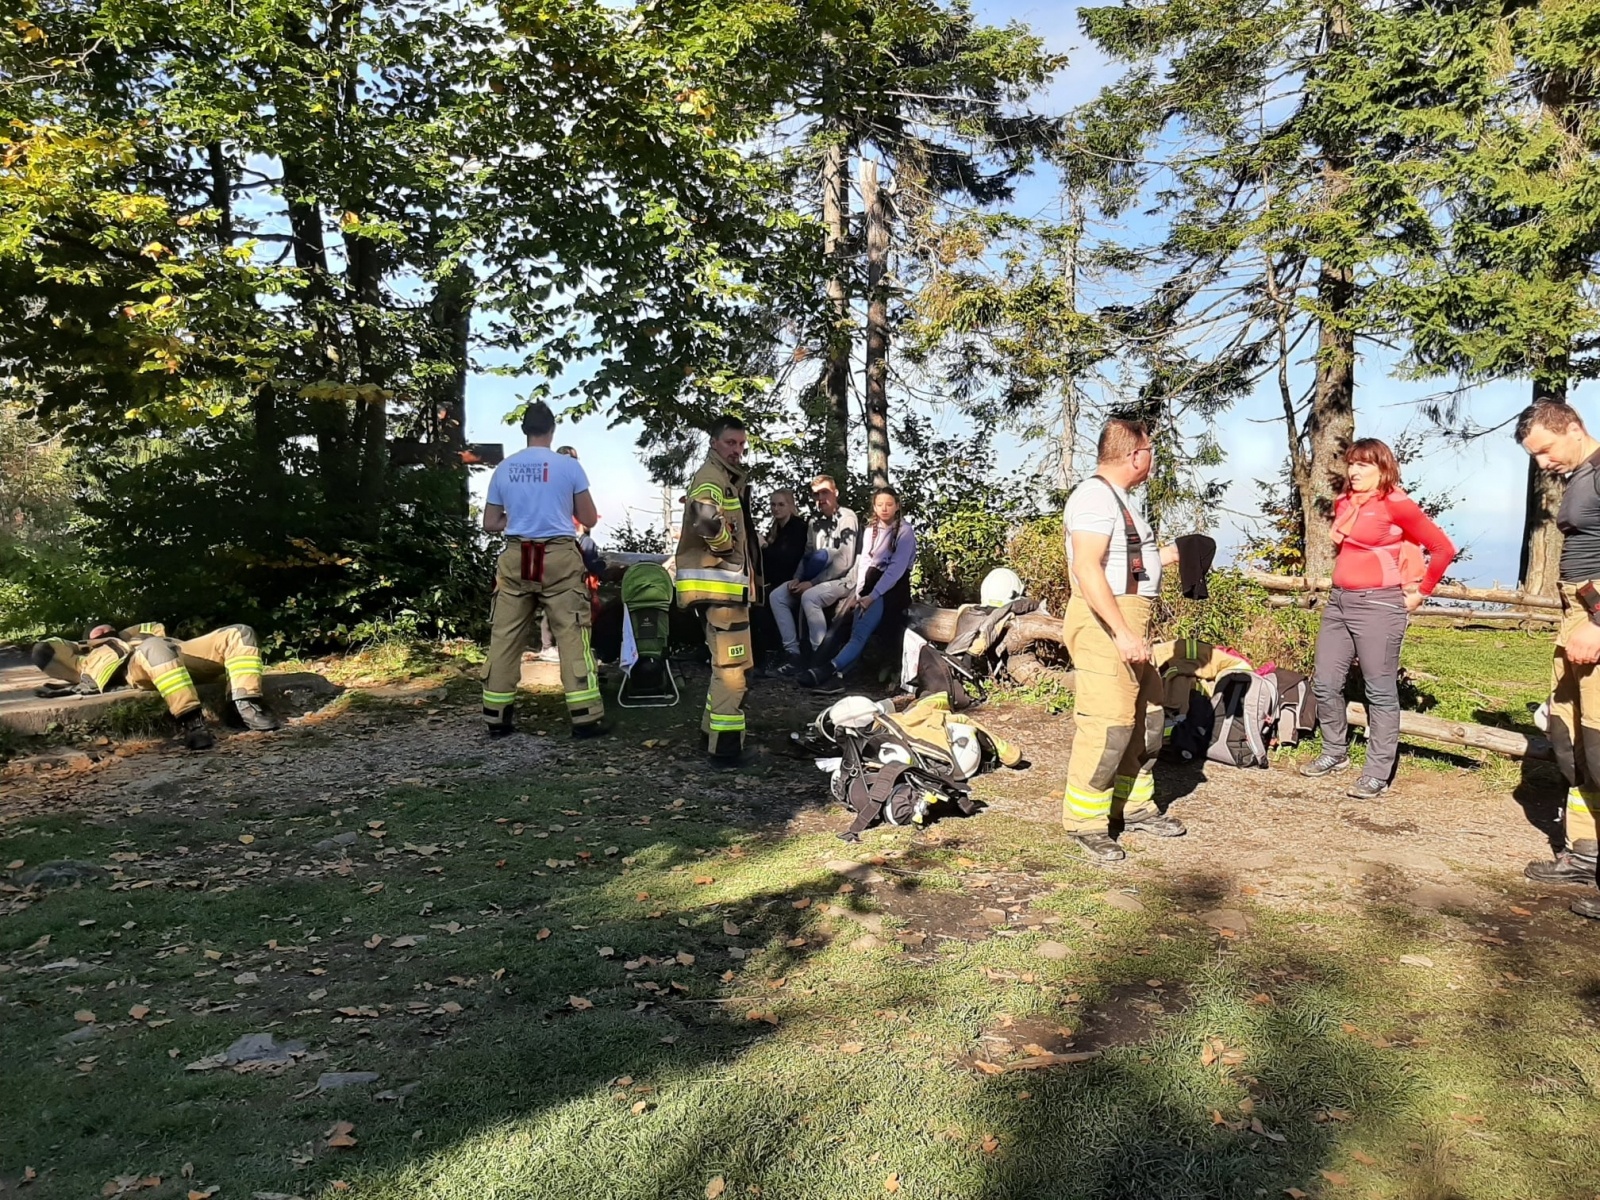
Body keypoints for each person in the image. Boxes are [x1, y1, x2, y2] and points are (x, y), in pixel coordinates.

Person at [1299, 438, 1456, 799]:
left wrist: (1423, 591)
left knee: (1379, 690)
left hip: (1379, 605)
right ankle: (1334, 752)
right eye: (1351, 464)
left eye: (1363, 465)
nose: (1353, 471)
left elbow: (1443, 548)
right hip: (1338, 602)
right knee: (1324, 682)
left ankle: (1376, 772)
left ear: (1383, 468)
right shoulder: (1345, 503)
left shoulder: (1397, 504)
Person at [1059, 419, 1185, 862]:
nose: (1152, 458)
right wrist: (1123, 632)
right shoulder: (1094, 496)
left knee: (1147, 717)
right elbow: (1088, 568)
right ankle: (1086, 821)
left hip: (1130, 619)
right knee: (1109, 723)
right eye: (1150, 450)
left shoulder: (1118, 501)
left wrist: (1171, 555)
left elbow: (1124, 561)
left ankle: (1132, 806)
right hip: (1106, 621)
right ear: (1135, 455)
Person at [1516, 400, 1600, 920]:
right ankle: (1587, 855)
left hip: (1594, 613)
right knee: (1571, 740)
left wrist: (1598, 623)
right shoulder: (1582, 474)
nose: (1544, 464)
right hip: (1577, 610)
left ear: (1572, 427)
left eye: (1546, 450)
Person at [480, 401, 606, 738]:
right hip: (559, 556)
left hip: (517, 556)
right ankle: (585, 715)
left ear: (524, 430)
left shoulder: (504, 468)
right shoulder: (568, 467)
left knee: (506, 636)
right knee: (572, 633)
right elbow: (590, 518)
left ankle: (496, 716)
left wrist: (515, 518)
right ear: (552, 430)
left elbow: (491, 523)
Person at [31, 621, 279, 750]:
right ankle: (191, 722)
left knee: (239, 631)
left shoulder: (141, 633)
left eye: (107, 627)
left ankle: (244, 705)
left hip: (179, 650)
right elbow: (46, 649)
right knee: (155, 647)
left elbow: (156, 632)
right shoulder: (86, 657)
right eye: (97, 630)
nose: (103, 628)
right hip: (141, 664)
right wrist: (82, 644)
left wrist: (132, 636)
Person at [675, 415, 762, 764]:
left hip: (722, 590)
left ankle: (711, 736)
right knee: (733, 669)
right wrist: (726, 546)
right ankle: (727, 750)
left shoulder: (722, 477)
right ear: (714, 443)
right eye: (731, 443)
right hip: (722, 590)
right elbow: (704, 517)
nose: (738, 451)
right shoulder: (711, 478)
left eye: (741, 444)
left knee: (724, 665)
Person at [799, 487, 916, 691]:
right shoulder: (871, 530)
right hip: (869, 584)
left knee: (860, 633)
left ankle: (830, 670)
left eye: (889, 504)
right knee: (844, 623)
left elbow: (895, 570)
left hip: (891, 589)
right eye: (880, 505)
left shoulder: (905, 532)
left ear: (897, 506)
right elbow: (865, 563)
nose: (884, 509)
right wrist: (860, 592)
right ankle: (825, 670)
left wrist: (873, 596)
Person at [771, 475, 861, 674]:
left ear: (835, 492)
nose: (821, 498)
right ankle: (793, 655)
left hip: (844, 580)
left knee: (810, 597)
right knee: (777, 596)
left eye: (825, 492)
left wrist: (811, 583)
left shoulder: (847, 517)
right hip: (814, 580)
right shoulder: (815, 522)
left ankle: (820, 657)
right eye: (816, 494)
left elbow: (844, 561)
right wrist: (797, 578)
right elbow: (807, 555)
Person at [754, 489, 809, 671]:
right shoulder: (776, 529)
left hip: (793, 581)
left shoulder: (797, 528)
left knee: (766, 601)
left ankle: (779, 652)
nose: (776, 509)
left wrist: (764, 547)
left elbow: (786, 560)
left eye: (780, 504)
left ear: (791, 506)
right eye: (773, 504)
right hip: (776, 580)